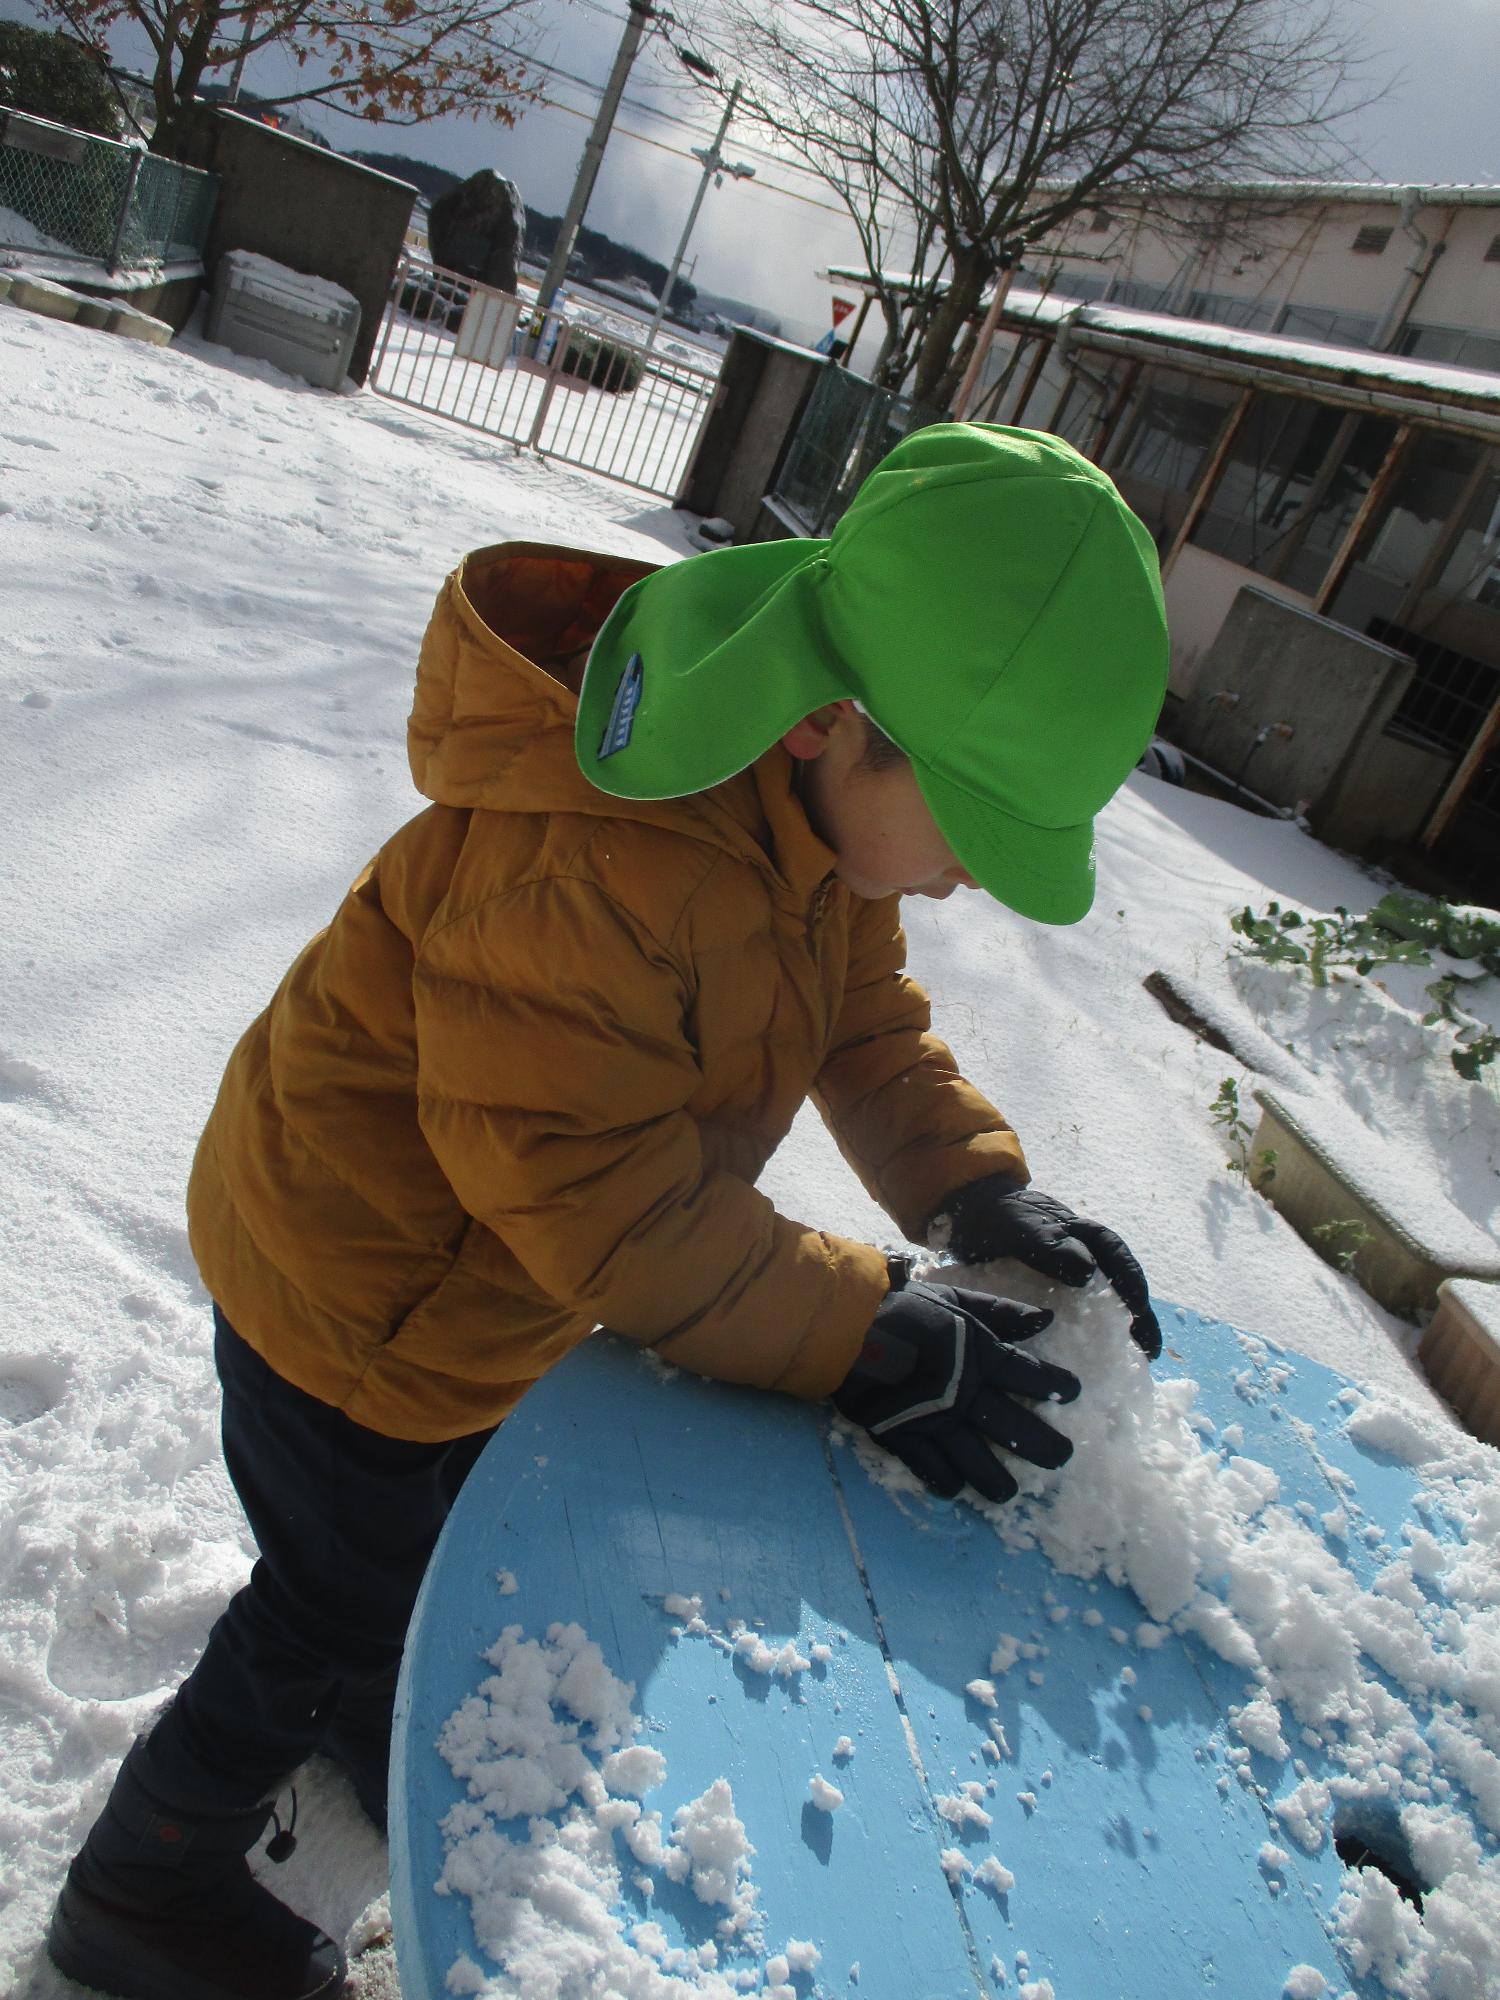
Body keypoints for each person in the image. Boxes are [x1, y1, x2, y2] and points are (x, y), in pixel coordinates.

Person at [47, 422, 1169, 2000]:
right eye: (976, 824)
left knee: (415, 1546)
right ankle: (142, 1894)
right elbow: (605, 1209)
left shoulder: (802, 822)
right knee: (331, 1591)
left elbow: (863, 1026)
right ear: (840, 724)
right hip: (356, 1295)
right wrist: (866, 1331)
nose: (975, 878)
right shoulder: (594, 871)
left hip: (475, 1282)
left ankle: (377, 1706)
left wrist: (974, 1181)